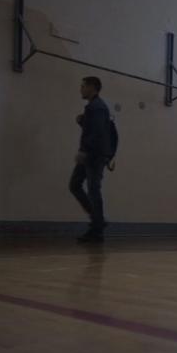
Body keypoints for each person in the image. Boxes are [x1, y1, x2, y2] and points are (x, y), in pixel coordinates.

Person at [70, 76, 113, 243]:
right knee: (75, 185)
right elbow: (94, 130)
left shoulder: (97, 107)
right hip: (91, 155)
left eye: (83, 86)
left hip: (94, 156)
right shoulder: (94, 108)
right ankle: (98, 221)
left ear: (93, 87)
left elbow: (97, 134)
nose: (81, 89)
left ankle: (97, 228)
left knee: (93, 189)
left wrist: (83, 150)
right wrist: (83, 121)